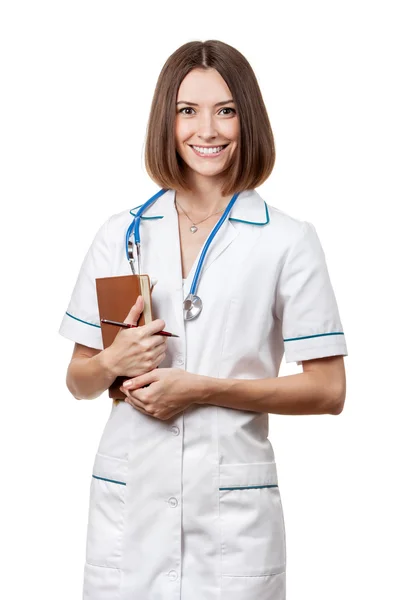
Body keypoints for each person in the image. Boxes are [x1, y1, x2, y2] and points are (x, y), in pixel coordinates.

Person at [59, 39, 348, 600]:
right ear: (165, 121)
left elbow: (329, 389)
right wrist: (113, 361)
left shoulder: (288, 240)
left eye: (226, 110)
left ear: (248, 118)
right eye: (187, 111)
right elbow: (78, 380)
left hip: (231, 519)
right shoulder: (122, 234)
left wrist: (204, 390)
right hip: (130, 511)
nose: (206, 130)